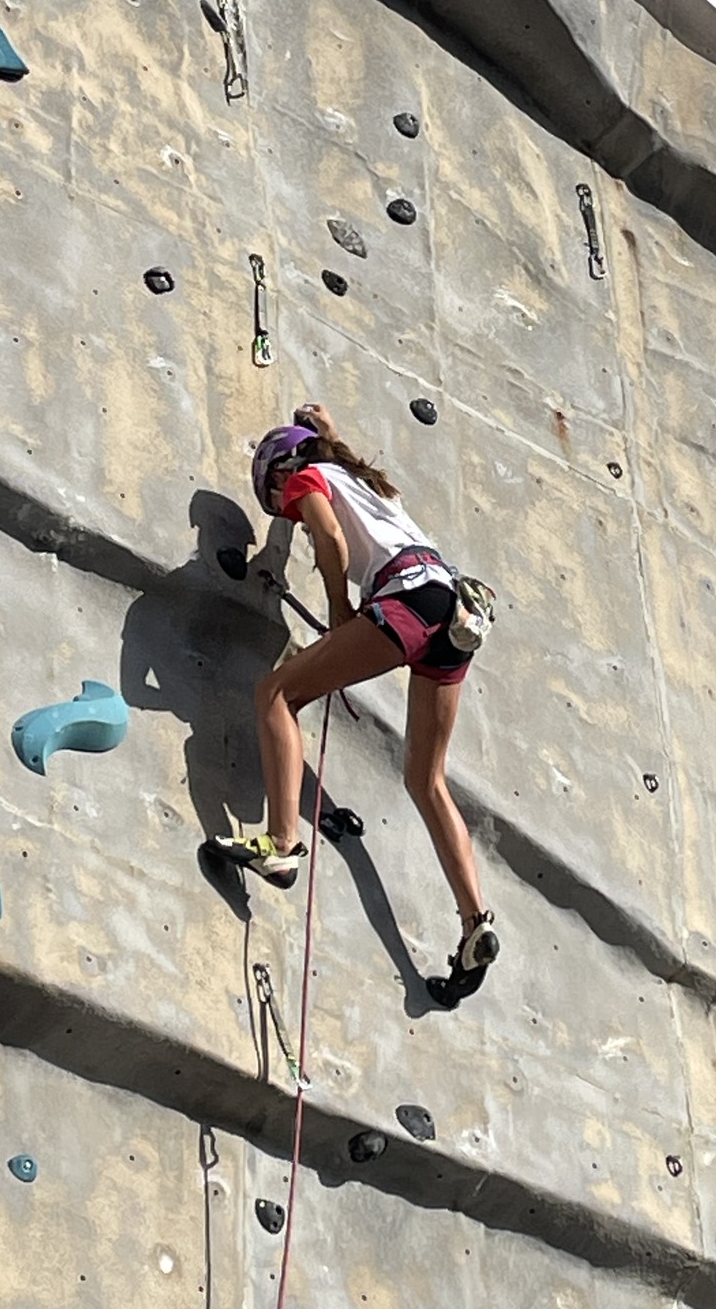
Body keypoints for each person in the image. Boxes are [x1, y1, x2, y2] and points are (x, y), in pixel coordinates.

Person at [210, 403, 500, 1006]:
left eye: (273, 494)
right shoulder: (370, 484)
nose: (281, 502)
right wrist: (330, 432)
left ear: (281, 471)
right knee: (426, 779)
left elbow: (330, 535)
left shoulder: (305, 479)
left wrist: (340, 614)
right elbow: (343, 483)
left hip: (407, 599)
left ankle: (282, 843)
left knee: (274, 694)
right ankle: (475, 923)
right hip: (455, 605)